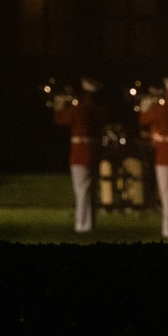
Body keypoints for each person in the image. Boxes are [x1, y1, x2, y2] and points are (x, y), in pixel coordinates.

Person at [53, 77, 103, 233]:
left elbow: (59, 119)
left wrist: (60, 105)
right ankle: (88, 223)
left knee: (81, 190)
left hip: (79, 154)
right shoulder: (97, 109)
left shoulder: (80, 109)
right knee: (89, 190)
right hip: (93, 152)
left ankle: (82, 224)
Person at [140, 75, 168, 238]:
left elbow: (143, 119)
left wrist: (147, 106)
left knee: (167, 195)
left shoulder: (163, 109)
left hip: (165, 156)